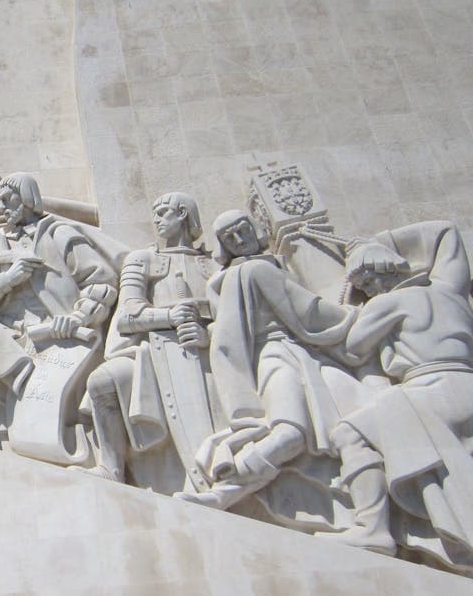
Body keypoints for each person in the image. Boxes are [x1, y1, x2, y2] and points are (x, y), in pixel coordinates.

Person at [174, 210, 361, 510]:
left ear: (255, 227)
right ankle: (225, 489)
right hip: (274, 356)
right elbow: (308, 312)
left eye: (242, 229)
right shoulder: (250, 272)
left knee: (355, 430)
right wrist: (356, 316)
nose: (239, 239)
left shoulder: (268, 267)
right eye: (229, 238)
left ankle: (370, 519)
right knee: (290, 433)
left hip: (308, 357)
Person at [320, 222, 473, 569]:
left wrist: (354, 303)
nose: (369, 289)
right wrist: (381, 240)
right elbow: (447, 232)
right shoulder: (449, 288)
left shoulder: (385, 304)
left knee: (350, 433)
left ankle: (372, 529)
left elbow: (354, 348)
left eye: (368, 281)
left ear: (386, 270)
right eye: (363, 286)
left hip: (427, 389)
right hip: (465, 382)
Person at [0, 173, 124, 444]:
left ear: (26, 199)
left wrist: (78, 317)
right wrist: (9, 277)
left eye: (7, 199)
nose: (1, 206)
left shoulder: (59, 234)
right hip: (10, 335)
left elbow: (101, 282)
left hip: (58, 333)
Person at [76, 193, 223, 492]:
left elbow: (231, 317)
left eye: (163, 213)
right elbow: (127, 316)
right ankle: (111, 466)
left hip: (206, 352)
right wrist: (169, 315)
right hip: (150, 354)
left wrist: (210, 334)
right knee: (102, 380)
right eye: (154, 214)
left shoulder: (213, 266)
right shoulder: (142, 260)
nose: (155, 220)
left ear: (183, 214)